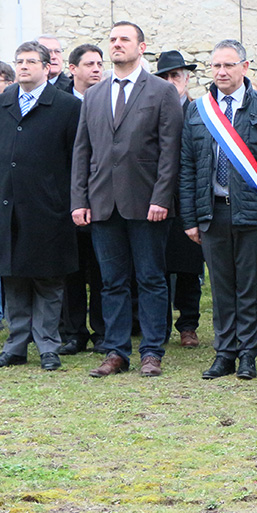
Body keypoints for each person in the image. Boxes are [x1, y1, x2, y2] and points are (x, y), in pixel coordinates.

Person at [71, 21, 184, 378]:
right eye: (113, 40)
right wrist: (79, 199)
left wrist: (162, 197)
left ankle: (152, 351)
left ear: (142, 47)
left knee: (151, 279)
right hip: (103, 202)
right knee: (111, 282)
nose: (117, 45)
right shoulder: (94, 94)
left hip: (147, 202)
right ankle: (116, 351)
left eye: (124, 40)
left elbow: (171, 151)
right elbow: (82, 151)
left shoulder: (161, 92)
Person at [0, 41, 82, 371]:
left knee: (48, 280)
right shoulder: (0, 104)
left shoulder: (66, 106)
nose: (23, 67)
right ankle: (16, 344)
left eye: (31, 61)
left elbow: (77, 160)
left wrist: (70, 202)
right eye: (19, 61)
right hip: (5, 207)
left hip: (49, 209)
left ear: (47, 67)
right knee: (12, 277)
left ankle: (48, 345)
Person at [181, 40, 257, 381]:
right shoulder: (198, 110)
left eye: (228, 65)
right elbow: (187, 167)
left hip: (252, 213)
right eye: (216, 66)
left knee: (249, 287)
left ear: (245, 67)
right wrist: (190, 218)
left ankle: (248, 354)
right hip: (212, 212)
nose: (222, 72)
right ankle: (224, 353)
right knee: (222, 287)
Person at [57, 43, 106, 355]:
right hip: (66, 201)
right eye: (89, 64)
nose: (97, 69)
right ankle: (73, 332)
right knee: (71, 271)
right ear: (72, 69)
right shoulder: (60, 105)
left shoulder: (109, 101)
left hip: (104, 199)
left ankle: (103, 332)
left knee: (103, 272)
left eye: (100, 63)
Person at [155, 50, 205, 349]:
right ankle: (158, 326)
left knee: (189, 267)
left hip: (190, 198)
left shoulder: (198, 111)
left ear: (186, 79)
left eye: (176, 76)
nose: (172, 82)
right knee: (156, 267)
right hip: (157, 198)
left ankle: (188, 325)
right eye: (165, 77)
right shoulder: (150, 107)